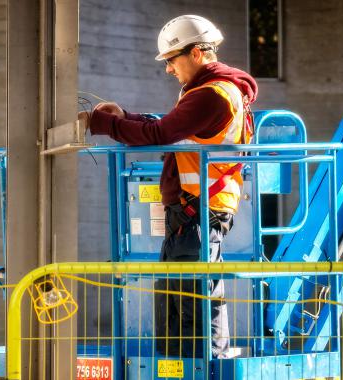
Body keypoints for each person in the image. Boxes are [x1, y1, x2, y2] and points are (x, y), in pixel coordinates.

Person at [79, 15, 258, 359]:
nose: (168, 70)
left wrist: (101, 123)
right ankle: (184, 366)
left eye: (172, 60)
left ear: (196, 53)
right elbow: (169, 129)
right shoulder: (209, 91)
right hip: (193, 212)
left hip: (199, 211)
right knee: (178, 300)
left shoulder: (211, 95)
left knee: (193, 302)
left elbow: (160, 134)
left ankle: (207, 366)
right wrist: (125, 117)